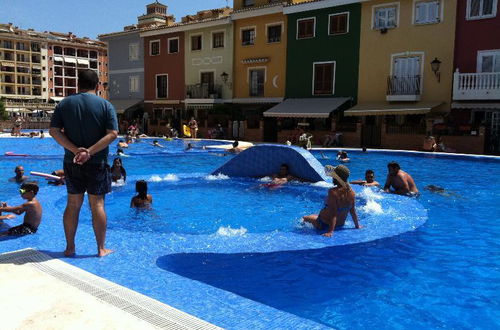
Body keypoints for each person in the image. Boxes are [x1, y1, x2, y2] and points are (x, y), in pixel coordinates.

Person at [49, 69, 118, 257]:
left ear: (77, 85)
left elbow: (54, 130)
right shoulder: (105, 105)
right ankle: (101, 249)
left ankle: (70, 247)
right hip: (97, 162)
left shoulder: (64, 104)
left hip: (72, 162)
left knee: (73, 204)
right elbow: (112, 134)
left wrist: (75, 150)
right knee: (97, 205)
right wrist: (89, 152)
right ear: (97, 85)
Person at [303, 165, 361, 237]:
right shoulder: (352, 192)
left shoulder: (333, 192)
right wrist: (357, 226)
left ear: (336, 177)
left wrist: (330, 231)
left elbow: (333, 213)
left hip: (324, 224)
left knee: (304, 218)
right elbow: (352, 211)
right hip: (340, 223)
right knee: (314, 215)